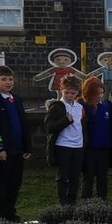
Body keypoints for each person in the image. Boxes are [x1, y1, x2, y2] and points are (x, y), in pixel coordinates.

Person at [0, 65, 32, 221]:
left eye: (10, 79)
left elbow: (23, 123)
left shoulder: (15, 99)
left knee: (14, 183)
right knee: (2, 183)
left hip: (17, 148)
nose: (8, 82)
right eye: (4, 79)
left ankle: (10, 211)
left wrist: (27, 145)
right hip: (4, 150)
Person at [80, 77, 112, 200]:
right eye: (96, 93)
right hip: (88, 148)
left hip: (104, 147)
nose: (100, 96)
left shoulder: (108, 106)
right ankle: (86, 202)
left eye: (101, 93)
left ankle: (102, 201)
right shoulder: (81, 105)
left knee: (102, 176)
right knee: (88, 177)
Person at [44, 75, 85, 205]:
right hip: (63, 145)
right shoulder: (57, 106)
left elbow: (81, 126)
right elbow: (49, 127)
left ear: (77, 93)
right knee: (63, 176)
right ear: (61, 91)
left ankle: (72, 200)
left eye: (73, 93)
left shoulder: (79, 107)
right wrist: (65, 121)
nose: (69, 95)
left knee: (75, 175)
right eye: (66, 92)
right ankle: (62, 201)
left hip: (78, 145)